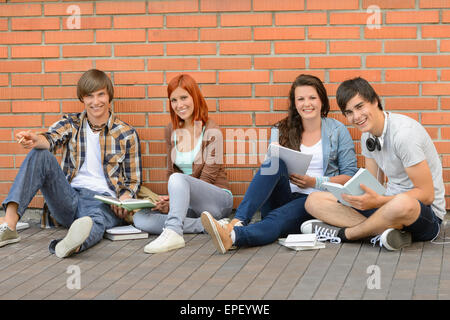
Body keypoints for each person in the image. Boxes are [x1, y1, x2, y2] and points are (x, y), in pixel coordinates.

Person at [200, 74, 358, 254]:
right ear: (294, 103)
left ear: (322, 100)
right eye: (301, 99)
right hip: (283, 195)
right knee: (273, 163)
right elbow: (269, 173)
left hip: (314, 201)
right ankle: (238, 220)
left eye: (312, 97)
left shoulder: (337, 131)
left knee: (276, 219)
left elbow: (350, 176)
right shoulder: (280, 129)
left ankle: (232, 236)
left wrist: (313, 182)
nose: (307, 103)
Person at [0, 69, 142, 258]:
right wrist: (36, 139)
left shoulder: (127, 133)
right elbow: (51, 138)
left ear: (109, 96)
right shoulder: (71, 123)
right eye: (89, 96)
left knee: (96, 221)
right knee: (40, 154)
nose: (96, 101)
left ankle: (70, 244)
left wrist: (124, 199)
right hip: (69, 198)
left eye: (101, 94)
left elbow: (132, 181)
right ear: (82, 99)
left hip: (103, 202)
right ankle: (9, 226)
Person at [301, 77, 446, 250]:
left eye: (360, 106)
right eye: (349, 112)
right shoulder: (367, 135)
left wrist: (378, 201)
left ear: (375, 101)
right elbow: (372, 183)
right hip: (385, 204)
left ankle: (345, 235)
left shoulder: (404, 135)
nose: (356, 117)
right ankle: (385, 233)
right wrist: (353, 196)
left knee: (401, 203)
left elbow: (427, 194)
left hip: (423, 213)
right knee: (314, 200)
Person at [133, 74, 233, 254]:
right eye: (174, 100)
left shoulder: (212, 131)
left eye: (184, 97)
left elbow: (206, 179)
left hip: (216, 200)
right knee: (140, 219)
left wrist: (176, 197)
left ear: (195, 97)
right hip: (190, 206)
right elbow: (171, 172)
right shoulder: (171, 130)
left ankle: (174, 231)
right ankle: (210, 226)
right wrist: (170, 202)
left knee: (178, 180)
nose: (179, 105)